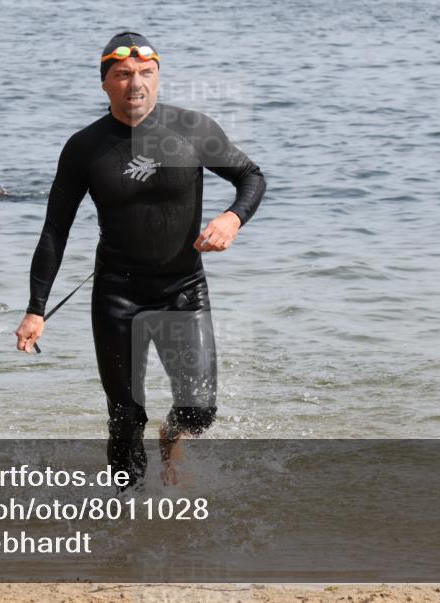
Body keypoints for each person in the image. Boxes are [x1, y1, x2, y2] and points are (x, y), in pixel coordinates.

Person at [14, 32, 265, 488]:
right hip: (117, 294)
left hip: (183, 289)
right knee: (125, 415)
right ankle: (124, 520)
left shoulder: (192, 129)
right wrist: (36, 308)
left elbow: (250, 176)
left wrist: (233, 218)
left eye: (147, 73)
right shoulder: (84, 148)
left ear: (159, 77)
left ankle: (173, 435)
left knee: (200, 409)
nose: (136, 84)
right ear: (105, 83)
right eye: (124, 75)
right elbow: (55, 229)